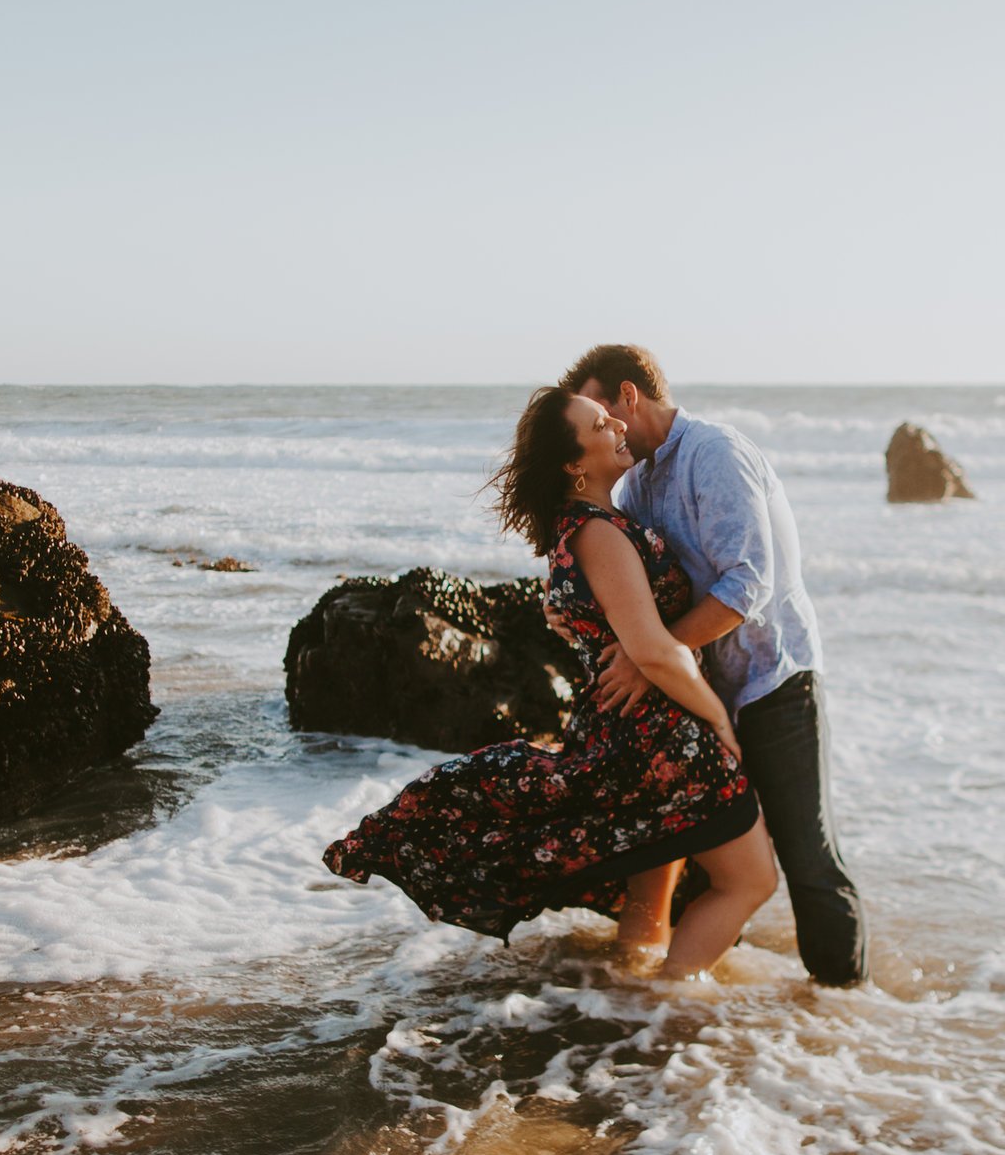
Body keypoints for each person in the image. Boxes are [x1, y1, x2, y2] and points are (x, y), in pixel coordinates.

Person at [321, 386, 780, 979]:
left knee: (653, 887)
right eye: (598, 423)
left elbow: (612, 623)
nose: (616, 422)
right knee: (750, 881)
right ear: (573, 462)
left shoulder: (591, 527)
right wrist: (719, 721)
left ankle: (628, 994)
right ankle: (667, 1002)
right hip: (665, 734)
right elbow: (655, 652)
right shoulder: (598, 533)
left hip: (632, 728)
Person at [559, 344, 870, 986]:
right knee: (715, 867)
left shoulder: (714, 453)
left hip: (771, 683)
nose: (608, 428)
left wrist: (652, 658)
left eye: (603, 411)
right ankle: (703, 1015)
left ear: (628, 395)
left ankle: (844, 1016)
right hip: (701, 697)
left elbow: (747, 584)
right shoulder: (637, 481)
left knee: (808, 862)